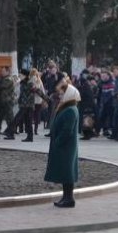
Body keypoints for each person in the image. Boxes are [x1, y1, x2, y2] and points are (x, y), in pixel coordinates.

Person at [45, 77, 80, 208]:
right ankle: (66, 197)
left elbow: (67, 130)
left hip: (66, 147)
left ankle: (69, 198)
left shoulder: (70, 110)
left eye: (62, 93)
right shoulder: (67, 107)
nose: (59, 96)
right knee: (66, 172)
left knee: (67, 172)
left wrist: (58, 142)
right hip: (65, 146)